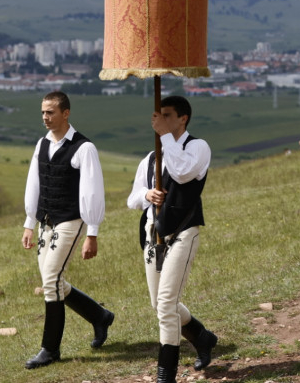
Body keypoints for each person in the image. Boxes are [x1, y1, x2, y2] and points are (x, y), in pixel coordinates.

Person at [127, 95, 218, 383]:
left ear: (183, 118)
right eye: (159, 115)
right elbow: (132, 199)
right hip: (153, 234)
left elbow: (181, 173)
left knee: (166, 304)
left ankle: (165, 375)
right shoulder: (151, 158)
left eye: (167, 115)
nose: (160, 120)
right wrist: (147, 194)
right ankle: (202, 337)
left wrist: (165, 136)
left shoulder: (198, 147)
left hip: (183, 231)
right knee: (159, 304)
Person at [21, 91, 114, 369]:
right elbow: (34, 183)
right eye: (43, 112)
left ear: (66, 113)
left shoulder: (84, 148)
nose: (45, 117)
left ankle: (50, 350)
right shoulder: (42, 144)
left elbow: (92, 191)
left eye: (50, 112)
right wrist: (29, 222)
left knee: (51, 279)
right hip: (46, 220)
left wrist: (92, 232)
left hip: (71, 219)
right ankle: (99, 316)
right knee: (53, 281)